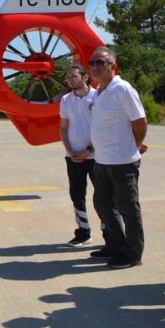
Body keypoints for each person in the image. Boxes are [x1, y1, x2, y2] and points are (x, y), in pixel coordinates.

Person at [87, 47, 147, 268]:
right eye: (92, 63)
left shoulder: (122, 89)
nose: (95, 67)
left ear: (113, 65)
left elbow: (140, 121)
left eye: (100, 62)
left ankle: (132, 254)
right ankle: (115, 245)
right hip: (102, 160)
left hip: (122, 161)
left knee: (128, 209)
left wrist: (136, 146)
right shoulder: (99, 92)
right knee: (102, 204)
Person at [59, 65, 98, 246]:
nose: (70, 80)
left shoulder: (98, 97)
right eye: (68, 78)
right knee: (77, 195)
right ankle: (83, 233)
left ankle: (110, 235)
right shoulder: (66, 100)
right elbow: (63, 127)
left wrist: (88, 150)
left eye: (73, 76)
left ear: (85, 77)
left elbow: (103, 128)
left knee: (104, 196)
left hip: (97, 156)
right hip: (73, 157)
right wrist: (69, 150)